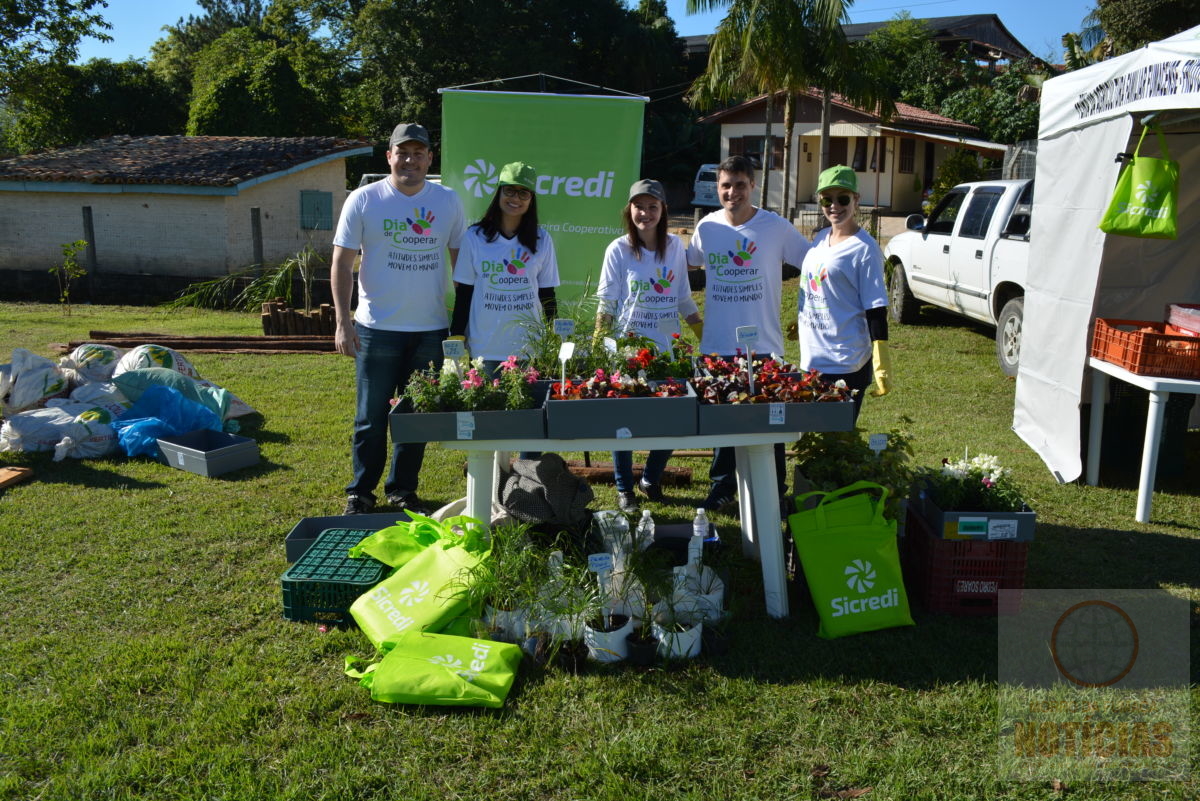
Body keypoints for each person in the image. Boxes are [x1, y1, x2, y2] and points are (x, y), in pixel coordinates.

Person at [331, 123, 465, 515]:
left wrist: (462, 322)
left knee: (414, 418)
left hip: (430, 329)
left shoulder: (448, 201)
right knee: (370, 419)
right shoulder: (364, 199)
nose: (410, 160)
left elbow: (461, 263)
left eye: (418, 153)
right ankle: (361, 492)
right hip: (376, 329)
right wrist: (343, 321)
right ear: (389, 156)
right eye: (402, 153)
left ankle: (402, 490)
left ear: (429, 158)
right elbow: (341, 264)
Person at [686, 154, 810, 512]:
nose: (732, 192)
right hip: (718, 343)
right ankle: (722, 488)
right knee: (724, 420)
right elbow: (688, 263)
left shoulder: (775, 227)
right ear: (718, 188)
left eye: (740, 185)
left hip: (764, 346)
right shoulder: (706, 227)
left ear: (752, 186)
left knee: (770, 419)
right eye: (726, 185)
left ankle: (774, 487)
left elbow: (813, 262)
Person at [595, 179, 703, 514]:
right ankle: (624, 487)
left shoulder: (674, 247)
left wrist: (703, 334)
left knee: (671, 420)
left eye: (652, 206)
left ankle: (651, 479)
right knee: (624, 424)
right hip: (628, 350)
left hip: (666, 350)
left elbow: (683, 298)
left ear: (663, 210)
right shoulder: (618, 249)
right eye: (639, 206)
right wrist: (600, 343)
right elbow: (607, 304)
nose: (646, 213)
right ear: (629, 210)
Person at [797, 164, 891, 421]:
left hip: (844, 362)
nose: (834, 206)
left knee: (836, 444)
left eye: (843, 198)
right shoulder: (820, 238)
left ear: (856, 200)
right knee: (810, 438)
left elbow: (876, 308)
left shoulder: (865, 249)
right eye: (827, 199)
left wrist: (881, 358)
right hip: (813, 358)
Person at [449, 161, 559, 375]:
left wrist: (555, 339)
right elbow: (464, 292)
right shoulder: (475, 236)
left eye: (523, 193)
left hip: (529, 347)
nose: (515, 199)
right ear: (499, 192)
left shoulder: (542, 239)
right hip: (484, 347)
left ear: (531, 199)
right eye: (509, 191)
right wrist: (456, 335)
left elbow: (547, 294)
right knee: (485, 408)